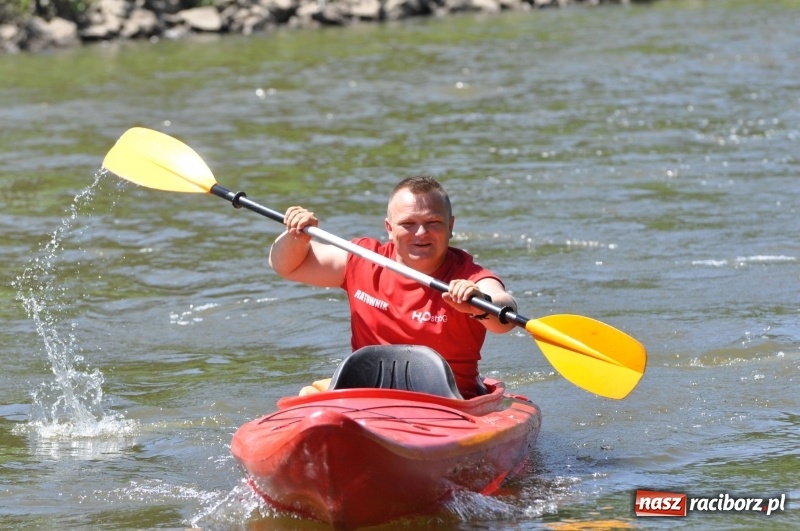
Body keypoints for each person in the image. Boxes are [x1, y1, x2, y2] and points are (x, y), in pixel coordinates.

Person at [268, 176, 517, 399]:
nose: (421, 232)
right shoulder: (364, 258)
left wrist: (479, 303)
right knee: (308, 396)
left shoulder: (469, 275)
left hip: (449, 401)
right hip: (368, 392)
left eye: (433, 222)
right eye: (408, 223)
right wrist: (295, 237)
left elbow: (504, 313)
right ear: (389, 228)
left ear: (450, 226)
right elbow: (287, 266)